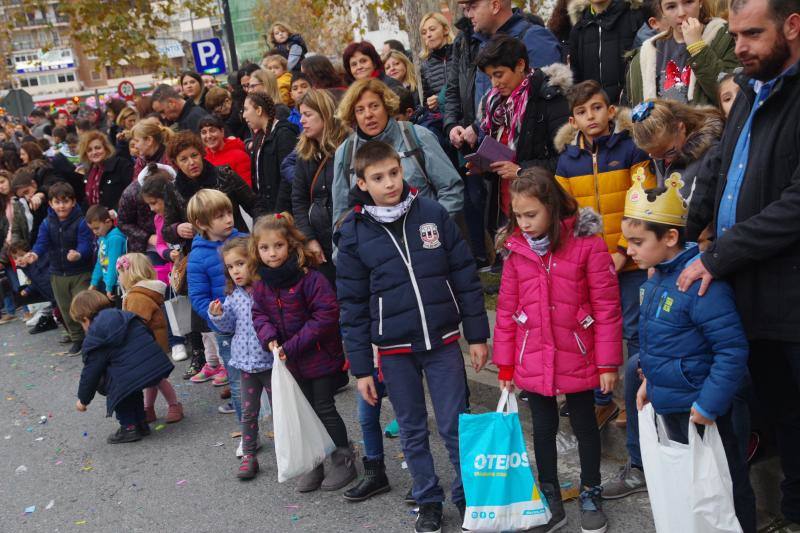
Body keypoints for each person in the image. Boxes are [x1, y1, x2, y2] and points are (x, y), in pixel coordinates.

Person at [678, 0, 800, 528]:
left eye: (753, 34)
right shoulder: (752, 85)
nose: (740, 47)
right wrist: (684, 234)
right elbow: (722, 165)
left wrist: (720, 253)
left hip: (790, 295)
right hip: (747, 286)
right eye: (734, 34)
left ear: (793, 26)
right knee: (776, 411)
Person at [335, 141, 490, 533]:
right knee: (412, 428)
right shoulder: (353, 232)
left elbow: (465, 277)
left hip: (441, 341)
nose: (389, 183)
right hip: (393, 349)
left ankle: (468, 495)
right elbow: (351, 306)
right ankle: (428, 499)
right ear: (362, 182)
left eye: (394, 173)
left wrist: (476, 335)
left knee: (455, 424)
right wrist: (362, 368)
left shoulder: (432, 212)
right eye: (378, 178)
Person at [622, 174, 756, 533]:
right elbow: (660, 343)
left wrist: (709, 405)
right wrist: (649, 380)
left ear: (669, 237)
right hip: (673, 404)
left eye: (637, 241)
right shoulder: (654, 279)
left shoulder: (699, 285)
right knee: (693, 489)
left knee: (726, 487)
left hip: (707, 412)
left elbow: (731, 349)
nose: (629, 250)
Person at [493, 169, 622, 533]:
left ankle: (590, 490)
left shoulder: (587, 243)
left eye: (531, 214)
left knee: (584, 424)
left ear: (551, 206)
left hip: (576, 350)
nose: (524, 223)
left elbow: (607, 306)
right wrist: (505, 365)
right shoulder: (517, 249)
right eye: (518, 216)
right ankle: (550, 495)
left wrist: (607, 361)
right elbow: (505, 310)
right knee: (544, 428)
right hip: (533, 352)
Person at [553, 80, 655, 440]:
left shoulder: (631, 149)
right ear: (573, 119)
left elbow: (642, 199)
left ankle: (635, 396)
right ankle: (602, 397)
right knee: (593, 329)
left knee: (633, 329)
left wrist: (623, 250)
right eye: (582, 112)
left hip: (630, 261)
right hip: (591, 264)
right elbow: (566, 216)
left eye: (596, 108)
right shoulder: (567, 160)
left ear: (610, 111)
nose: (590, 116)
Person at [250, 212, 355, 492]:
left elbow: (326, 316)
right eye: (265, 248)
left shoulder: (311, 279)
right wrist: (270, 339)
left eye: (278, 246)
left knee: (323, 407)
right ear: (256, 250)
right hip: (289, 361)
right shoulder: (262, 284)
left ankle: (342, 457)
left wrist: (291, 346)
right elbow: (259, 315)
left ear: (291, 245)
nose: (272, 254)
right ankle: (314, 461)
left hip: (319, 356)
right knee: (302, 411)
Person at [332, 79, 464, 225]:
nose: (368, 114)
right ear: (353, 115)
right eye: (360, 110)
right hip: (376, 244)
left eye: (374, 106)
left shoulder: (418, 136)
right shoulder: (345, 152)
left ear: (387, 107)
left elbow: (451, 189)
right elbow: (341, 214)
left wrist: (432, 229)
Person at [474, 35, 571, 226]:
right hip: (505, 209)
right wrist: (482, 164)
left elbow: (567, 160)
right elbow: (499, 161)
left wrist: (520, 171)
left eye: (499, 74)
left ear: (520, 65)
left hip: (541, 212)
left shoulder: (550, 99)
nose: (494, 84)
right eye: (490, 77)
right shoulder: (493, 105)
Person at [207, 236, 272, 478]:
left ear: (254, 261)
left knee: (281, 410)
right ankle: (249, 455)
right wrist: (218, 315)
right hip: (245, 364)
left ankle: (292, 451)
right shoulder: (233, 296)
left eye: (240, 264)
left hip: (269, 362)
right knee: (248, 412)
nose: (235, 271)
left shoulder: (265, 290)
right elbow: (228, 326)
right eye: (231, 267)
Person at [72, 290, 174, 444]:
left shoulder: (96, 335)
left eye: (81, 324)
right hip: (153, 365)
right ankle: (141, 422)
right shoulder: (125, 315)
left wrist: (83, 400)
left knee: (117, 383)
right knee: (131, 381)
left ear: (86, 319)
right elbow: (147, 333)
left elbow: (91, 372)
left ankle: (129, 427)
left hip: (131, 376)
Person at [186, 189, 244, 420]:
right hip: (227, 330)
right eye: (220, 216)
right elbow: (198, 297)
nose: (229, 219)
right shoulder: (198, 257)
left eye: (229, 212)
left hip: (257, 322)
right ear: (202, 223)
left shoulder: (245, 241)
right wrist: (215, 316)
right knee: (238, 382)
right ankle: (249, 435)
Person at [24, 182, 93, 356]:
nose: (61, 206)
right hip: (57, 272)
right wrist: (34, 254)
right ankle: (77, 339)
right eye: (57, 202)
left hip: (80, 272)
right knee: (66, 309)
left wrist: (78, 253)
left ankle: (92, 338)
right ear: (51, 204)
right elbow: (41, 243)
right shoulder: (47, 223)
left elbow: (86, 244)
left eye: (65, 201)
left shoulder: (81, 221)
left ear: (73, 201)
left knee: (83, 307)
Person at [626, 0, 738, 105]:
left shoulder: (727, 37)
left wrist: (697, 48)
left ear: (700, 2)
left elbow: (732, 97)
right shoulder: (648, 52)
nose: (681, 13)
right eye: (671, 6)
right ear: (662, 11)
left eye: (688, 2)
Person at [116, 253, 184, 424]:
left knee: (158, 378)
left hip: (147, 344)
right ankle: (149, 408)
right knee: (151, 378)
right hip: (153, 342)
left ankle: (174, 405)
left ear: (129, 274)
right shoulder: (141, 293)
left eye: (120, 273)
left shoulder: (136, 296)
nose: (119, 278)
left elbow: (136, 322)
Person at [291, 90, 349, 285]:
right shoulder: (304, 153)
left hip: (348, 237)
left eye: (308, 115)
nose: (302, 121)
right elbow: (299, 200)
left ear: (325, 114)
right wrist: (308, 239)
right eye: (301, 115)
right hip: (321, 242)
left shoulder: (349, 146)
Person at [168, 130, 262, 233]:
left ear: (202, 154)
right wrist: (176, 229)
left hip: (236, 242)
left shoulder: (225, 174)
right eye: (183, 159)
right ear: (175, 163)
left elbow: (255, 205)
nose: (191, 162)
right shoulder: (172, 189)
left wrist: (259, 231)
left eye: (194, 155)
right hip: (200, 246)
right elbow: (166, 230)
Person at [568, 0, 646, 104]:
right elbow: (576, 77)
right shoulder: (578, 28)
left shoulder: (636, 16)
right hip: (595, 112)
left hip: (632, 109)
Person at [242, 92, 299, 213]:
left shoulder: (284, 134)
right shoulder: (259, 136)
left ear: (258, 110)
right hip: (265, 209)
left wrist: (279, 212)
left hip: (281, 212)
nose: (244, 115)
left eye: (246, 109)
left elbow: (287, 178)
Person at [77, 130, 133, 211]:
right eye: (89, 150)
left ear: (106, 149)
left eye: (98, 148)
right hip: (95, 220)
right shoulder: (89, 170)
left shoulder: (121, 165)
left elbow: (131, 194)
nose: (94, 152)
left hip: (119, 218)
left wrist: (115, 212)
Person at [86, 205, 126, 299]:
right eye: (92, 229)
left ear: (108, 222)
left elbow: (113, 264)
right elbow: (101, 262)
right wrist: (94, 282)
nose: (94, 232)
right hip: (109, 284)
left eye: (97, 228)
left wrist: (109, 286)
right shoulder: (103, 237)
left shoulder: (115, 239)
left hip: (118, 286)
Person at [198, 116, 252, 186]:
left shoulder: (239, 156)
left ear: (222, 132)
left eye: (212, 131)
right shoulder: (202, 159)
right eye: (204, 132)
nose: (208, 136)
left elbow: (247, 190)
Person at [419, 13, 455, 117]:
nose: (428, 35)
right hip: (442, 120)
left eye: (432, 29)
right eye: (424, 32)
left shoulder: (461, 54)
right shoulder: (425, 66)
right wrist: (430, 104)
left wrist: (442, 97)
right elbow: (426, 102)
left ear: (445, 30)